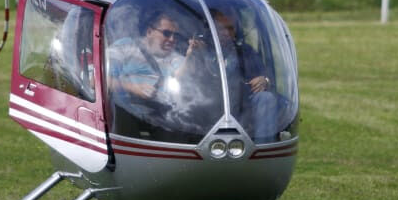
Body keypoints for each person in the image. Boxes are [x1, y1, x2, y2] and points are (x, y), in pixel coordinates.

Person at [107, 10, 203, 121]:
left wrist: (191, 56)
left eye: (175, 35)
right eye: (166, 33)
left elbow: (182, 77)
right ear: (149, 32)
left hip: (159, 120)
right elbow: (97, 80)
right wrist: (133, 88)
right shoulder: (126, 46)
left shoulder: (174, 58)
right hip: (121, 115)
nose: (172, 39)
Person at [211, 9, 281, 139]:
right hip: (209, 103)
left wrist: (265, 80)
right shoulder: (200, 50)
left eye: (230, 28)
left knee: (266, 98)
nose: (226, 33)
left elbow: (267, 75)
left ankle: (263, 148)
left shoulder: (246, 51)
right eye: (221, 29)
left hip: (242, 105)